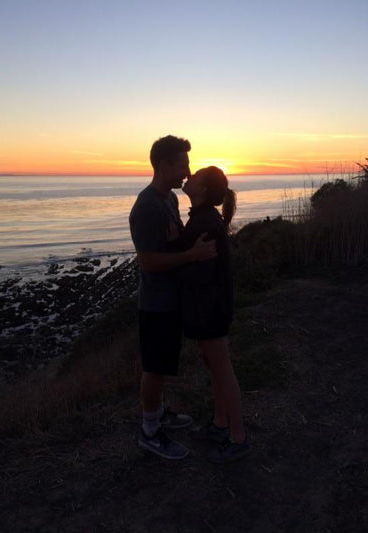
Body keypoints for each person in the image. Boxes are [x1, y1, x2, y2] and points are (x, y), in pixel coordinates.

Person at [129, 135, 216, 460]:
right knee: (154, 367)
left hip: (171, 299)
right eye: (182, 165)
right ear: (164, 165)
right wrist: (192, 255)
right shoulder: (147, 206)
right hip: (155, 303)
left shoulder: (170, 201)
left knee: (163, 364)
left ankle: (159, 412)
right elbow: (148, 261)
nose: (187, 172)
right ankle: (149, 431)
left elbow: (173, 242)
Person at [181, 166, 250, 463]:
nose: (188, 177)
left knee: (222, 369)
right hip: (209, 307)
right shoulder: (203, 218)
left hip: (210, 309)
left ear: (204, 190)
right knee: (214, 366)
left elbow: (198, 271)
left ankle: (238, 437)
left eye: (194, 176)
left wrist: (175, 248)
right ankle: (221, 423)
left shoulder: (204, 222)